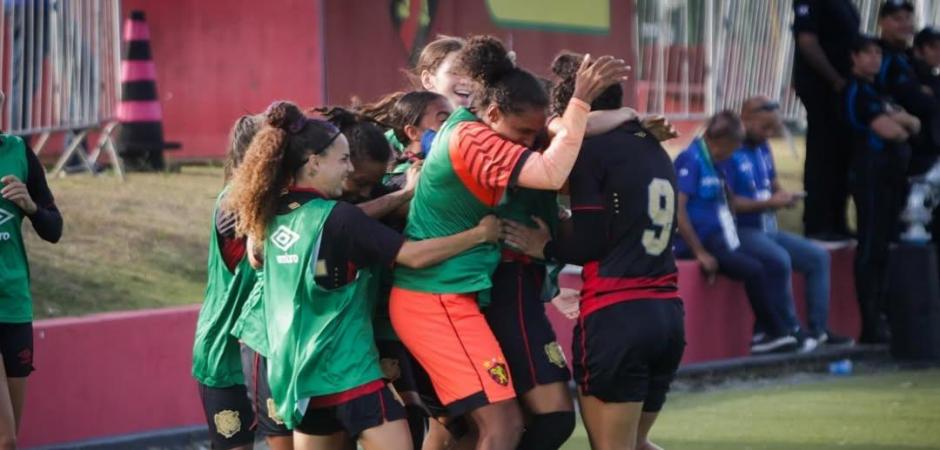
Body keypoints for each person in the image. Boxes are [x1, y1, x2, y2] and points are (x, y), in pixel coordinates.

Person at [388, 35, 628, 450]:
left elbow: (553, 142)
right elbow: (551, 173)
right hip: (436, 300)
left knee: (493, 427)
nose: (528, 141)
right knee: (503, 426)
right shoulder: (473, 139)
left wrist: (624, 116)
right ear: (495, 112)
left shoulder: (472, 127)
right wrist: (581, 101)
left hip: (456, 296)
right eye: (523, 132)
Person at [226, 101, 501, 450]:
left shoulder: (267, 217)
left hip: (299, 382)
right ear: (314, 163)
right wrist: (479, 235)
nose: (348, 169)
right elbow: (414, 257)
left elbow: (262, 260)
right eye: (343, 160)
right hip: (350, 373)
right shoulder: (338, 217)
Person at [505, 50, 685, 450]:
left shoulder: (590, 151)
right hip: (667, 315)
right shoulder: (652, 144)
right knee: (637, 443)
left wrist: (545, 246)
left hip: (617, 317)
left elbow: (589, 242)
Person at [719, 96, 854, 348]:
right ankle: (790, 329)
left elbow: (772, 183)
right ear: (745, 120)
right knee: (779, 259)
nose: (769, 134)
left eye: (773, 128)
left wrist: (784, 195)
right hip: (743, 230)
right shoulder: (729, 151)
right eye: (765, 127)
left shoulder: (762, 148)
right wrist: (770, 203)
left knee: (818, 257)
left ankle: (819, 330)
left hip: (768, 229)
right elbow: (730, 202)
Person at [192, 114, 293, 450]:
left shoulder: (280, 201)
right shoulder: (233, 204)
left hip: (266, 350)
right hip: (224, 354)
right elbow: (236, 223)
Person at [674, 111, 799, 354]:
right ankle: (774, 332)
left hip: (720, 238)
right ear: (720, 142)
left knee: (768, 262)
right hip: (699, 243)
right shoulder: (691, 159)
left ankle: (769, 331)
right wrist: (700, 253)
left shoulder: (716, 163)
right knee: (753, 270)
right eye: (732, 148)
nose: (733, 154)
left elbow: (726, 199)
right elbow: (678, 211)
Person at [844, 35, 921, 343]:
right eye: (868, 53)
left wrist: (900, 119)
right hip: (870, 176)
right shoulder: (858, 91)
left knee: (887, 245)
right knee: (871, 247)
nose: (874, 59)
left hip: (889, 177)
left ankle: (885, 315)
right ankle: (870, 322)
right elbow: (892, 131)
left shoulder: (879, 90)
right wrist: (899, 121)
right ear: (854, 57)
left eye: (878, 53)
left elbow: (914, 124)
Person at [0, 89, 63, 449]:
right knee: (5, 438)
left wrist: (31, 206)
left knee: (10, 439)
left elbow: (54, 229)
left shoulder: (19, 152)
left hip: (15, 305)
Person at [792, 0, 860, 240]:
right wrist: (835, 79)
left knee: (842, 156)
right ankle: (818, 223)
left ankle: (837, 221)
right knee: (823, 157)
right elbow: (807, 41)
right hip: (822, 88)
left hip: (842, 89)